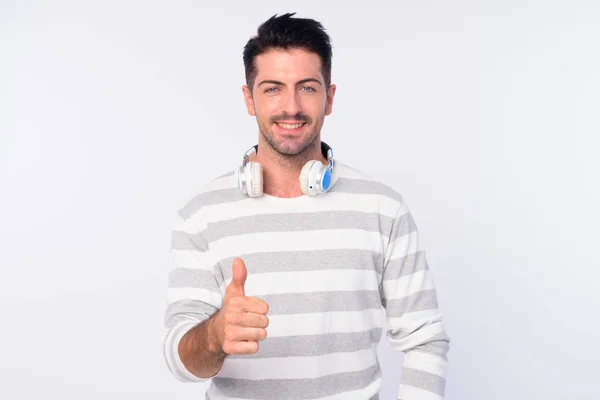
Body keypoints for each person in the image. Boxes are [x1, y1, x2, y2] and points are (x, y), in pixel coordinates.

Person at [163, 12, 450, 400]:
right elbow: (181, 363)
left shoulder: (383, 208)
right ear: (249, 99)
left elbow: (425, 339)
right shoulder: (201, 214)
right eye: (272, 89)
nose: (292, 107)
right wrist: (214, 334)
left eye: (307, 88)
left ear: (329, 98)